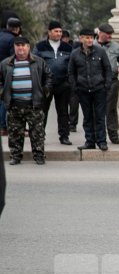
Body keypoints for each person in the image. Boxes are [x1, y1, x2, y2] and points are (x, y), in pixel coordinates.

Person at [0, 36, 52, 165]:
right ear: (14, 48)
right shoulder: (5, 63)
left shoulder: (39, 62)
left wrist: (44, 91)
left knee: (37, 133)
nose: (20, 48)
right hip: (14, 105)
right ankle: (16, 156)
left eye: (23, 45)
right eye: (18, 46)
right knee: (15, 133)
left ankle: (39, 156)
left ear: (28, 47)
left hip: (34, 104)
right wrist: (2, 93)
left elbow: (49, 77)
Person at [68, 28, 112, 151]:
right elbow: (71, 72)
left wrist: (106, 85)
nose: (90, 40)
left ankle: (102, 141)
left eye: (91, 37)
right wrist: (75, 87)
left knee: (99, 116)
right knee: (87, 117)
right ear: (81, 38)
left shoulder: (100, 51)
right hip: (82, 90)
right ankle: (90, 141)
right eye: (87, 37)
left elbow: (107, 69)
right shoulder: (75, 53)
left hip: (99, 89)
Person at [33, 21, 74, 145]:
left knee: (63, 112)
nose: (59, 33)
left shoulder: (67, 47)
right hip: (45, 85)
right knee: (42, 111)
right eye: (56, 31)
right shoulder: (40, 46)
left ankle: (64, 136)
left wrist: (69, 81)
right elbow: (35, 63)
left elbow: (72, 65)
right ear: (49, 32)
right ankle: (40, 136)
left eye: (60, 31)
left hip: (63, 84)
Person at [95, 23, 119, 145]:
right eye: (107, 34)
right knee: (96, 109)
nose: (110, 36)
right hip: (96, 82)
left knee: (111, 109)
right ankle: (97, 135)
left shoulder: (115, 46)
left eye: (111, 34)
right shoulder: (92, 45)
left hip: (112, 81)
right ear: (100, 33)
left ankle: (113, 134)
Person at [0, 17, 22, 136]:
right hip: (5, 72)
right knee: (5, 99)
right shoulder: (12, 40)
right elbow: (13, 58)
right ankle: (3, 127)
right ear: (17, 28)